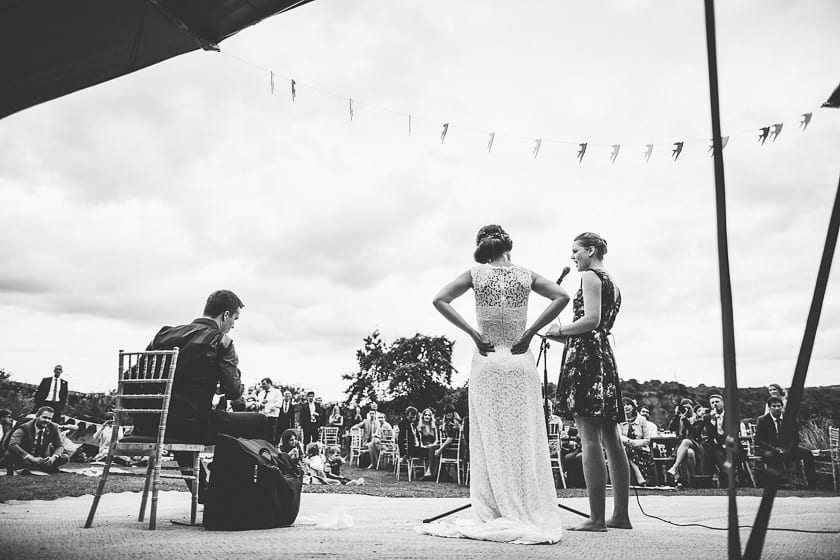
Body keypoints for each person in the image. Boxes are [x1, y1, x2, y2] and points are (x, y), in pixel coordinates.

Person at [419, 224, 569, 544]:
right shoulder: (525, 274)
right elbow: (562, 296)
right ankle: (525, 505)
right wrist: (530, 333)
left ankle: (494, 508)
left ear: (482, 248)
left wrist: (473, 334)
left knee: (489, 439)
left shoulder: (476, 275)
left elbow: (440, 299)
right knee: (522, 437)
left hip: (487, 360)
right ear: (508, 248)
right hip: (519, 361)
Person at [139, 289, 266, 493]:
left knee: (182, 417)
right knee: (260, 423)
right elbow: (233, 391)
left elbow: (140, 375)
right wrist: (236, 380)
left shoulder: (164, 334)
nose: (233, 325)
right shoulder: (221, 341)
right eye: (234, 318)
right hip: (191, 425)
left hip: (152, 424)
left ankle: (203, 491)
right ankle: (248, 492)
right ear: (225, 315)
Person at [552, 231, 631, 531]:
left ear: (592, 250)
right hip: (602, 358)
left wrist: (558, 331)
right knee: (612, 437)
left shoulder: (589, 277)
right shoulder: (615, 285)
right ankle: (620, 516)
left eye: (576, 251)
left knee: (588, 437)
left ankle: (596, 518)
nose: (573, 257)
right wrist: (565, 337)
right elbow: (599, 329)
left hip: (586, 362)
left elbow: (591, 321)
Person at [755, 396, 816, 489]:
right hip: (769, 448)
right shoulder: (762, 420)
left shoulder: (790, 419)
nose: (777, 408)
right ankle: (781, 483)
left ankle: (812, 484)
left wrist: (787, 449)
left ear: (782, 407)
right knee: (771, 455)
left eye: (779, 406)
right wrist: (774, 449)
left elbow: (795, 438)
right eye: (774, 406)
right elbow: (758, 440)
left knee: (807, 453)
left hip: (787, 448)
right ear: (769, 408)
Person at [4, 406, 69, 474]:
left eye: (50, 418)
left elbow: (60, 445)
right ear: (37, 416)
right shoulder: (25, 427)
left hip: (43, 459)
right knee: (9, 453)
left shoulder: (54, 427)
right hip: (26, 458)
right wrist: (29, 457)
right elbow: (13, 444)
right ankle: (21, 468)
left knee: (65, 457)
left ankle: (42, 467)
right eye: (44, 417)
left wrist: (53, 457)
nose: (47, 420)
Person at [666, 398, 705, 487]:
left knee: (686, 441)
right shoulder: (679, 418)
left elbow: (695, 432)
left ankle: (674, 468)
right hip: (681, 446)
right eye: (684, 408)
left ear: (692, 407)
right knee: (689, 453)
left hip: (696, 444)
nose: (686, 410)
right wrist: (677, 415)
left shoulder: (698, 418)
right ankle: (691, 479)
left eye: (689, 407)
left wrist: (685, 420)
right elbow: (671, 428)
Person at [619, 398, 655, 486]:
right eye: (623, 405)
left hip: (641, 449)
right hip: (625, 449)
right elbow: (618, 436)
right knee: (626, 449)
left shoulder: (642, 420)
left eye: (628, 404)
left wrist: (635, 443)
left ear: (633, 407)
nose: (626, 407)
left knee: (627, 450)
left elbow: (647, 439)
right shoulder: (619, 420)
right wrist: (629, 441)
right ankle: (638, 474)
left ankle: (638, 477)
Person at [256, 377, 283, 444]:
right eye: (262, 384)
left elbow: (279, 404)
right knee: (262, 436)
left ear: (269, 383)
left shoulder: (276, 392)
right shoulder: (261, 393)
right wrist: (260, 405)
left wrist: (266, 406)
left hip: (272, 417)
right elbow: (258, 403)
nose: (262, 386)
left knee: (271, 436)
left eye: (264, 384)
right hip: (262, 417)